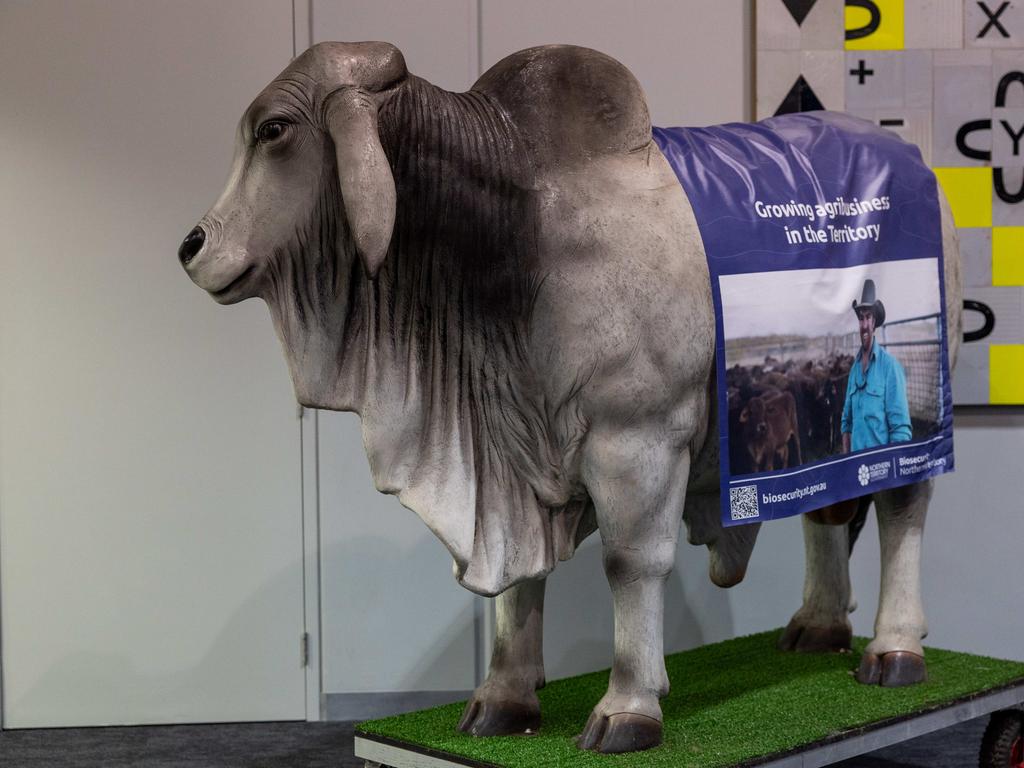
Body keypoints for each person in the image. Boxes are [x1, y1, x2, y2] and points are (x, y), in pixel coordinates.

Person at [841, 279, 912, 453]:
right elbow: (846, 422)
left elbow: (901, 430)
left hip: (882, 470)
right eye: (861, 318)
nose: (864, 325)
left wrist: (893, 474)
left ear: (874, 323)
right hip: (856, 469)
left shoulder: (890, 368)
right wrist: (846, 461)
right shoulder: (854, 371)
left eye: (868, 318)